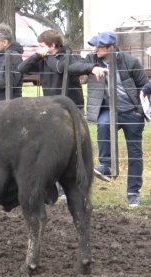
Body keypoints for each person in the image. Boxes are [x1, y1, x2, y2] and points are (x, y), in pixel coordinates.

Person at [69, 31, 149, 207]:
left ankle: (133, 193)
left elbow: (145, 86)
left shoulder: (130, 62)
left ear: (111, 47)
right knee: (103, 125)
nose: (96, 49)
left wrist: (140, 111)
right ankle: (106, 165)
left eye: (100, 46)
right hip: (108, 110)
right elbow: (72, 68)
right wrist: (91, 68)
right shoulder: (93, 59)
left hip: (131, 112)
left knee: (135, 153)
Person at [18, 29, 84, 109]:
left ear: (52, 45)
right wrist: (36, 56)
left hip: (72, 105)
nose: (39, 49)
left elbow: (58, 68)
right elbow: (21, 69)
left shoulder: (68, 56)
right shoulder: (42, 58)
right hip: (52, 105)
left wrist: (47, 56)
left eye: (42, 46)